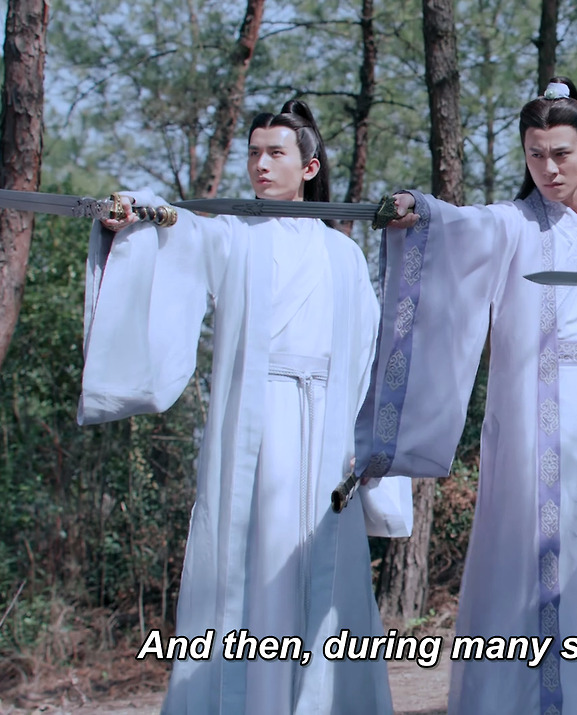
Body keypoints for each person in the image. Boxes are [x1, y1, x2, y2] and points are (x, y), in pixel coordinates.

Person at [357, 77, 577, 714]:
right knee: (538, 566)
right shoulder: (511, 225)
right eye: (535, 154)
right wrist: (418, 211)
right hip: (542, 425)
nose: (548, 168)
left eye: (561, 153)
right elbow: (459, 226)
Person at [81, 100, 396, 713]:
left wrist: (367, 452)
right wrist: (133, 215)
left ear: (309, 166)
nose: (260, 165)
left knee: (324, 567)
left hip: (326, 432)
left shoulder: (344, 255)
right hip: (255, 427)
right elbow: (176, 228)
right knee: (250, 563)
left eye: (276, 152)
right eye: (253, 153)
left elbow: (367, 359)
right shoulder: (230, 235)